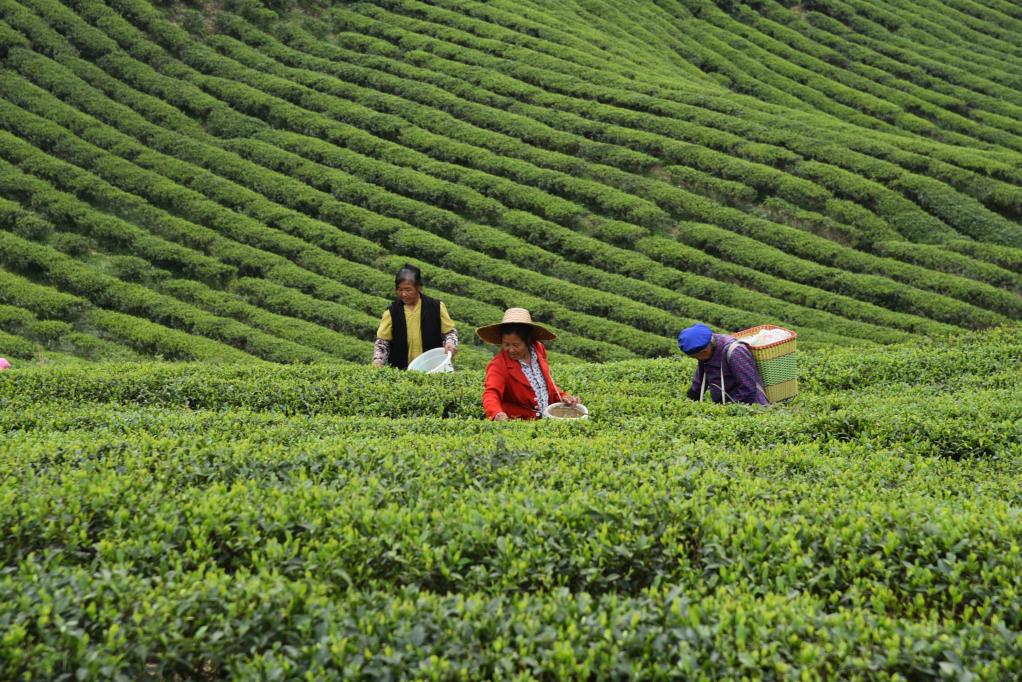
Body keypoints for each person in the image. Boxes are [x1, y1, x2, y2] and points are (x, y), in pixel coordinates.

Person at [476, 308, 580, 421]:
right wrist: (497, 413)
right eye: (506, 344)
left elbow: (546, 383)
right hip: (522, 420)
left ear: (528, 340)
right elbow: (491, 393)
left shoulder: (538, 349)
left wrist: (563, 396)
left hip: (548, 416)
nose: (510, 350)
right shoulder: (498, 365)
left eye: (516, 345)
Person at [373, 264, 458, 369]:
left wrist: (450, 343)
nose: (403, 294)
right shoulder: (391, 312)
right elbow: (382, 343)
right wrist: (378, 361)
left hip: (434, 367)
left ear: (419, 288)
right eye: (399, 290)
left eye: (408, 290)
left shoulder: (436, 307)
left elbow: (449, 332)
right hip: (402, 371)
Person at [679, 323, 768, 405]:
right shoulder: (706, 350)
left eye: (696, 357)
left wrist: (728, 410)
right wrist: (689, 399)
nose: (698, 360)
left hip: (751, 408)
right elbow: (699, 382)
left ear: (705, 351)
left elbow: (748, 390)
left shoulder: (735, 351)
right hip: (725, 403)